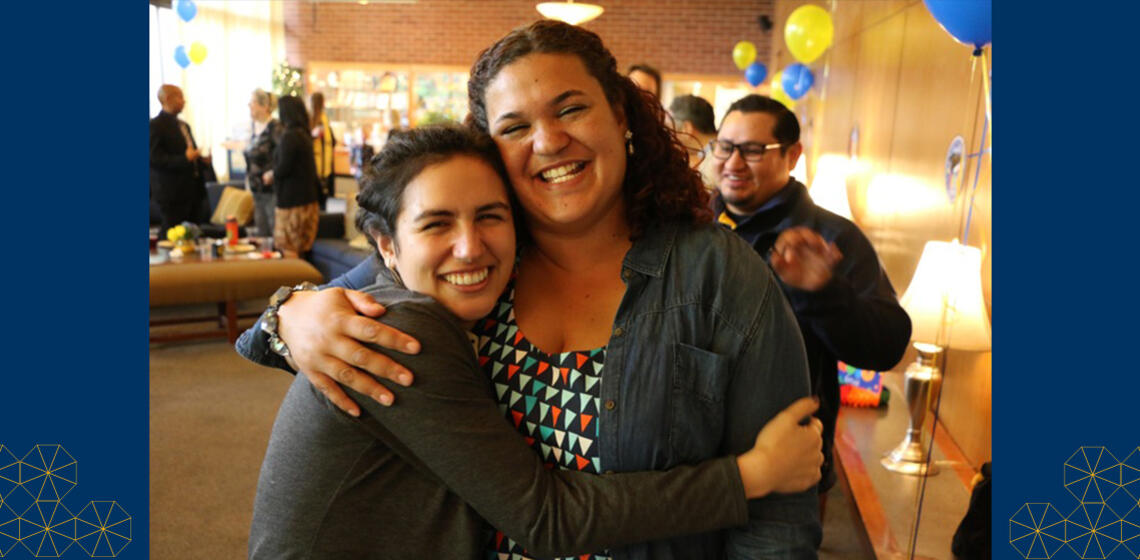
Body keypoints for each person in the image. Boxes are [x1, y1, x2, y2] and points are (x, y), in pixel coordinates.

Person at [238, 20, 822, 558]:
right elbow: (274, 331)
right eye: (514, 127)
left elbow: (781, 517)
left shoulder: (720, 275)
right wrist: (290, 315)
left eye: (570, 109)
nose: (547, 141)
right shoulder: (476, 255)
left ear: (621, 114)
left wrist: (756, 477)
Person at [710, 94, 912, 514]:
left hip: (791, 466)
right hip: (696, 465)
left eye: (751, 151)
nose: (732, 163)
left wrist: (822, 291)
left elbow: (885, 347)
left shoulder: (831, 238)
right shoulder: (690, 226)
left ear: (793, 154)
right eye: (725, 147)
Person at [149, 84, 210, 235]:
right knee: (172, 237)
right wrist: (185, 159)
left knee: (194, 235)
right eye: (180, 97)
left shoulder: (184, 125)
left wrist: (202, 161)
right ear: (168, 99)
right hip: (171, 194)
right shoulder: (155, 126)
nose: (184, 101)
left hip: (193, 191)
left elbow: (190, 156)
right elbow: (155, 159)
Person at [269, 96, 321, 258]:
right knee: (301, 248)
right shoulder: (304, 135)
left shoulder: (289, 136)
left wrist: (271, 174)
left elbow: (283, 168)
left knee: (289, 248)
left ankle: (292, 283)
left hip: (292, 204)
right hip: (308, 201)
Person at [243, 89, 278, 237]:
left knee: (273, 231)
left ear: (264, 107)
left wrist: (272, 173)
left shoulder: (275, 128)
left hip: (271, 190)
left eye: (252, 103)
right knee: (262, 233)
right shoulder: (253, 128)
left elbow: (284, 156)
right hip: (256, 189)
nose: (249, 106)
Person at [667, 94, 718, 188]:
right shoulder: (713, 153)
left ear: (686, 128)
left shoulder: (713, 165)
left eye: (670, 129)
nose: (669, 137)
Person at [310, 91, 335, 206]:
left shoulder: (322, 118)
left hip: (322, 165)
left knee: (321, 200)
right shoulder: (313, 119)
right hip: (320, 166)